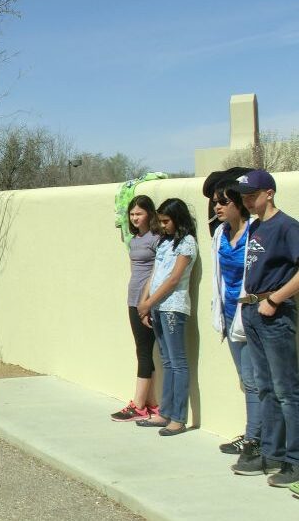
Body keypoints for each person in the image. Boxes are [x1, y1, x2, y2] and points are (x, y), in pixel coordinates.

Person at [225, 169, 299, 489]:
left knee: (286, 391)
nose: (246, 200)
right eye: (244, 195)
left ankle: (294, 461)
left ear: (269, 193)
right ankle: (271, 453)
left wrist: (276, 300)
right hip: (253, 310)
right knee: (265, 388)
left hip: (275, 312)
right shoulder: (256, 226)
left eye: (251, 194)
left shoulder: (287, 227)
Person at [207, 179, 260, 462]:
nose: (217, 207)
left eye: (223, 202)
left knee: (255, 381)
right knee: (246, 379)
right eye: (215, 202)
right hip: (229, 315)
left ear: (239, 204)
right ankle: (254, 434)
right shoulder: (220, 234)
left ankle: (255, 438)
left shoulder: (256, 232)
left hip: (250, 315)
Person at [135, 198, 197, 436]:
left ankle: (178, 418)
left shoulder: (187, 243)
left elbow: (173, 279)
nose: (162, 225)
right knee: (167, 362)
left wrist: (150, 302)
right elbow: (155, 273)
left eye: (166, 221)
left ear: (178, 219)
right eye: (160, 221)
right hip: (158, 308)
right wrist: (145, 303)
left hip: (173, 307)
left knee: (178, 362)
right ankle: (165, 412)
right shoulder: (164, 242)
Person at [111, 195, 161, 422]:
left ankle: (139, 405)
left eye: (139, 213)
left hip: (147, 302)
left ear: (149, 214)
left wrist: (147, 302)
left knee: (144, 351)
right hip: (132, 300)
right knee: (142, 349)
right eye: (132, 214)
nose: (134, 218)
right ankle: (151, 403)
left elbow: (159, 270)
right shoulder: (134, 240)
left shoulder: (156, 238)